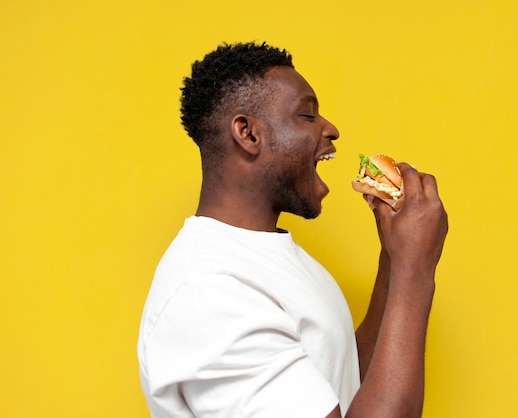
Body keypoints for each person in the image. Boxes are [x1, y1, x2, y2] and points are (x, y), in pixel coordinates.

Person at [137, 41, 448, 418]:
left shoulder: (271, 259)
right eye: (307, 115)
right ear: (247, 134)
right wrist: (416, 272)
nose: (331, 129)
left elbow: (349, 386)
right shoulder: (209, 290)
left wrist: (395, 258)